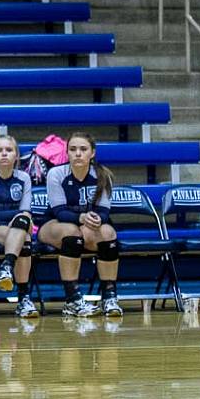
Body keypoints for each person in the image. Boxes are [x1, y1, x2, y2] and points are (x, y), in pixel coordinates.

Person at [38, 132, 122, 317]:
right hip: (54, 224)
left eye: (83, 149)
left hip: (84, 226)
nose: (77, 153)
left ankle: (109, 297)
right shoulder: (56, 173)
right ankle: (72, 300)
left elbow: (104, 211)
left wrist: (99, 219)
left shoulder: (102, 175)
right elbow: (60, 212)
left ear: (92, 153)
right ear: (67, 153)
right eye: (73, 149)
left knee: (108, 233)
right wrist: (83, 218)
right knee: (71, 232)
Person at [0, 134, 39, 319]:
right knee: (24, 236)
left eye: (9, 150)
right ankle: (24, 298)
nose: (4, 154)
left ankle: (6, 266)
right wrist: (17, 216)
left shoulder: (24, 178)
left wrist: (19, 217)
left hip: (15, 227)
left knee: (23, 230)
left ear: (16, 155)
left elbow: (27, 211)